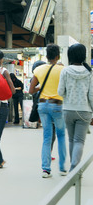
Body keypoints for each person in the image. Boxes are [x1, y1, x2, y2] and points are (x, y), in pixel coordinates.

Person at [29, 44, 66, 178]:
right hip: (57, 105)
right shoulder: (62, 70)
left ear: (46, 56)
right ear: (58, 56)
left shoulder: (39, 69)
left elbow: (31, 90)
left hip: (43, 105)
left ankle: (46, 169)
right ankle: (62, 168)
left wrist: (41, 89)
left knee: (46, 137)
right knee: (61, 135)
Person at [57, 43, 93, 171]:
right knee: (79, 141)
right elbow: (92, 95)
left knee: (71, 140)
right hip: (85, 111)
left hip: (68, 110)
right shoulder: (89, 72)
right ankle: (74, 168)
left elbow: (60, 91)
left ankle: (74, 168)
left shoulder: (65, 71)